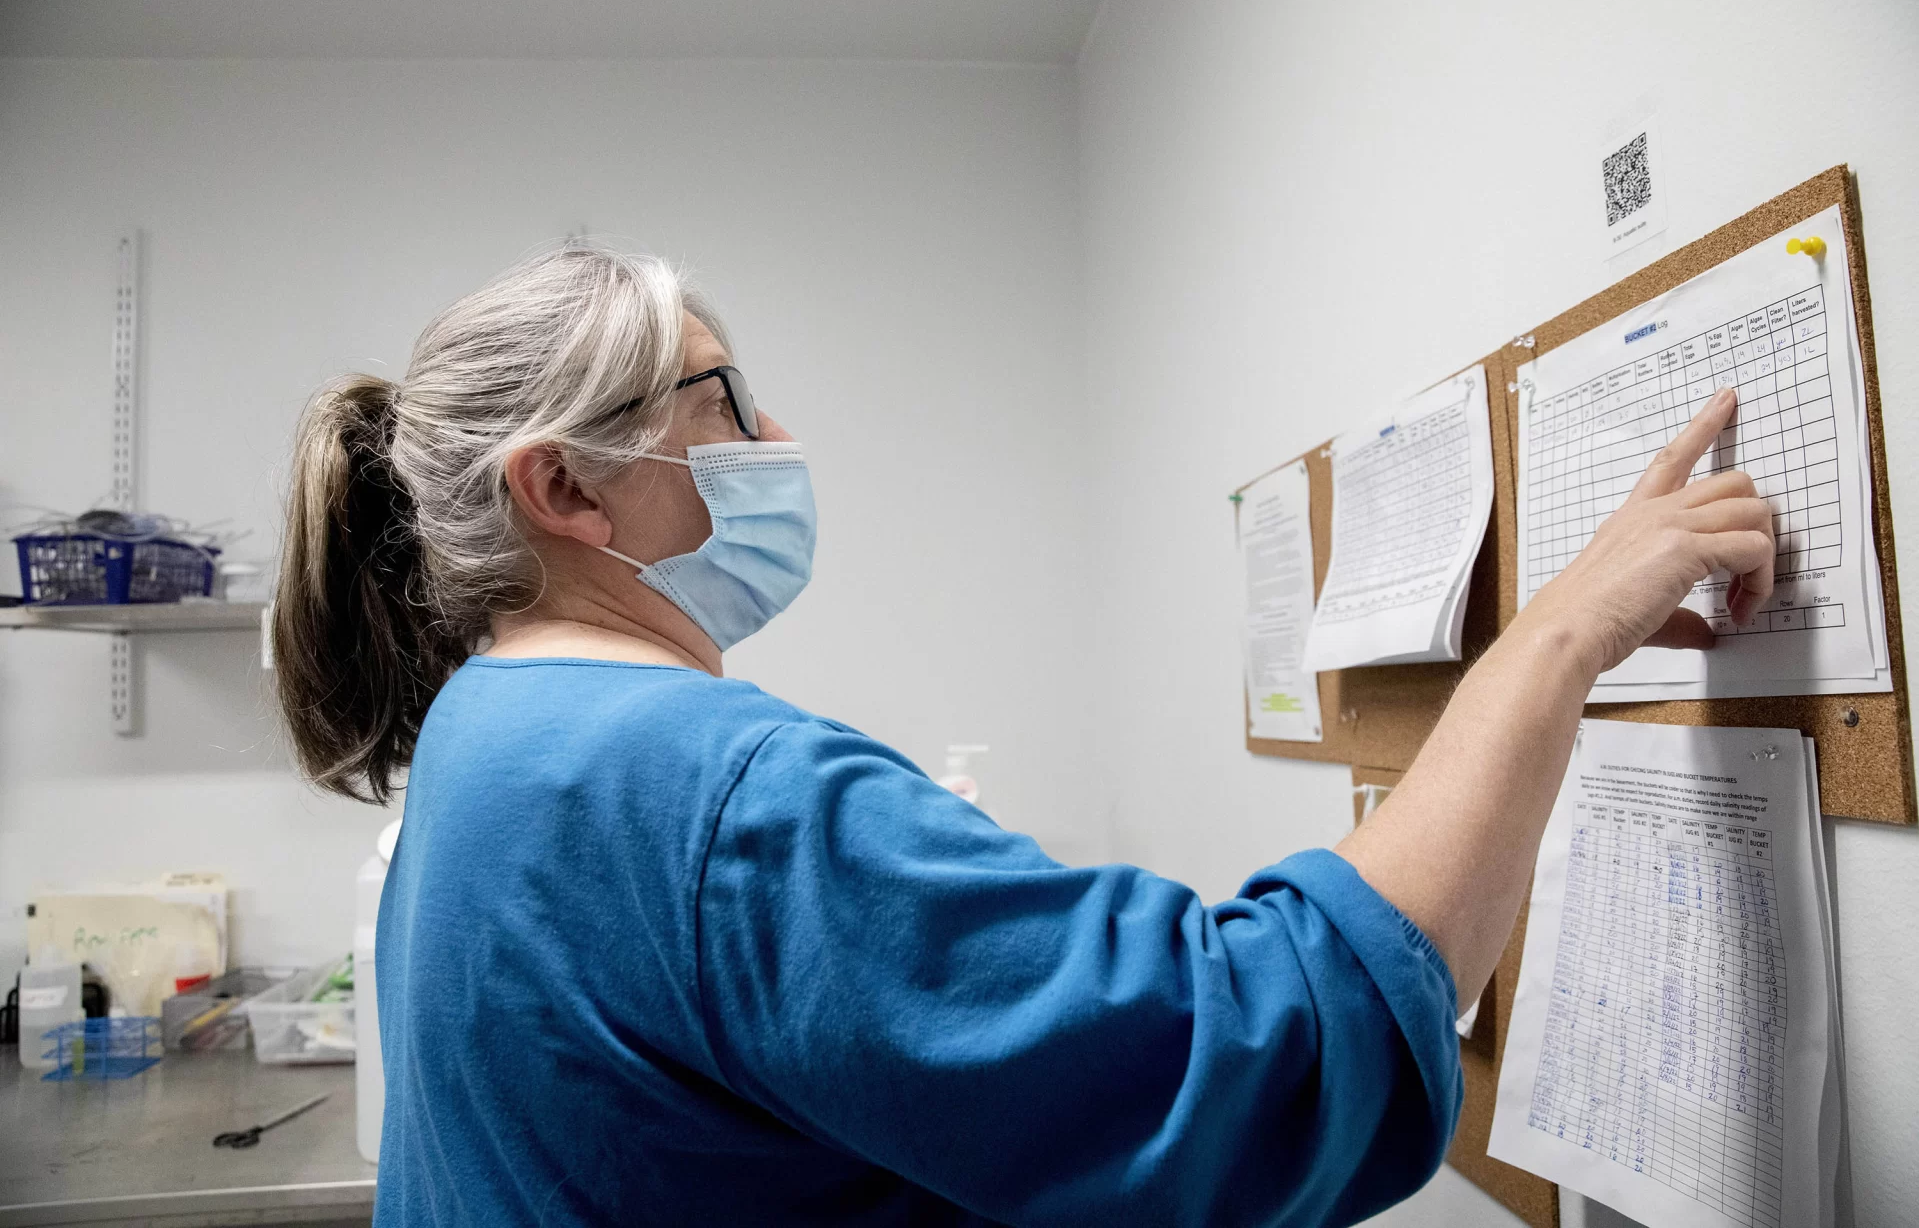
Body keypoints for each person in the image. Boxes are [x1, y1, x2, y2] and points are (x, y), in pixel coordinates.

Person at [272, 245, 1776, 1227]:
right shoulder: (714, 791)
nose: (775, 440)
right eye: (724, 397)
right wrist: (1562, 633)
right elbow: (1261, 1046)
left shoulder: (481, 735)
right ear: (569, 493)